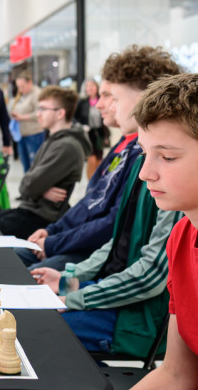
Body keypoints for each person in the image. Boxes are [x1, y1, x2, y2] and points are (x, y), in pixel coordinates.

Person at [32, 46, 183, 357]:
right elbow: (119, 240)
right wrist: (71, 280)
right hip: (123, 300)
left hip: (136, 320)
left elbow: (148, 276)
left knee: (34, 328)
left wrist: (73, 295)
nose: (102, 104)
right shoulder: (140, 165)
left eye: (111, 96)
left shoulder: (175, 193)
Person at [15, 79, 140, 271]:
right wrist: (52, 232)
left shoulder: (136, 154)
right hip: (71, 235)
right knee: (7, 257)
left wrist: (54, 241)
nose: (100, 104)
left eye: (110, 97)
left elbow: (111, 222)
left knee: (24, 272)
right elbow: (89, 203)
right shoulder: (123, 145)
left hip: (93, 249)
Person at [131, 74, 198, 389]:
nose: (145, 173)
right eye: (144, 153)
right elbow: (176, 374)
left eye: (168, 157)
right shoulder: (181, 235)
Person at [0, 86, 91, 240]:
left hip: (40, 217)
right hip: (30, 209)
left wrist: (37, 189)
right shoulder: (54, 140)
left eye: (43, 109)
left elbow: (28, 186)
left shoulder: (66, 146)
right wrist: (41, 190)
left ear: (60, 113)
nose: (38, 114)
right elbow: (29, 185)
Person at [10, 71, 44, 173]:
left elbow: (40, 113)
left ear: (30, 83)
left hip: (34, 134)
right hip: (21, 135)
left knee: (35, 165)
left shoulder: (37, 94)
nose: (20, 89)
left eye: (22, 86)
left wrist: (22, 117)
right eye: (18, 87)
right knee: (25, 166)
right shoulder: (21, 95)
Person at [74, 79, 109, 179]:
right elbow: (74, 117)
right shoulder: (82, 102)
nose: (89, 88)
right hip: (87, 134)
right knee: (92, 160)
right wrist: (81, 126)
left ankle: (97, 181)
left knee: (99, 161)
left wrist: (106, 135)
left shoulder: (101, 100)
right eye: (87, 86)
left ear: (96, 87)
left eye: (92, 85)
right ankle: (91, 183)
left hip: (99, 134)